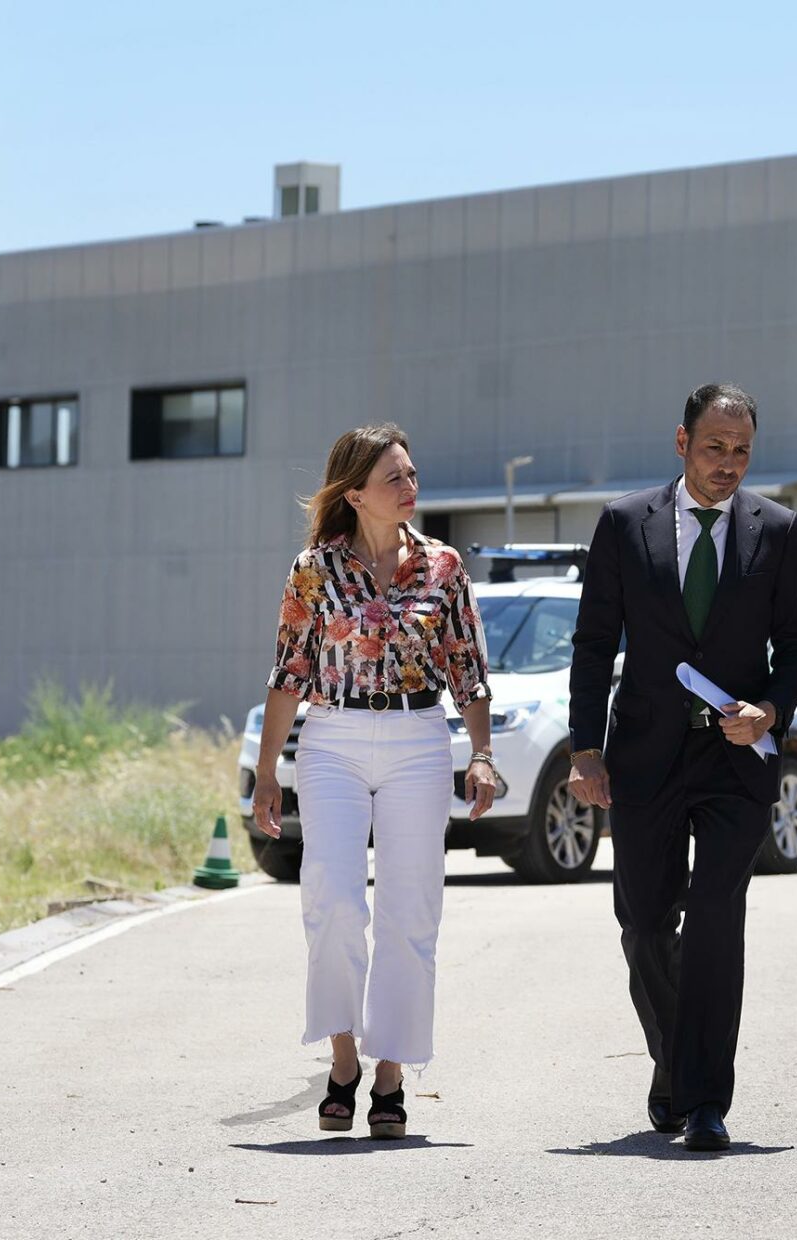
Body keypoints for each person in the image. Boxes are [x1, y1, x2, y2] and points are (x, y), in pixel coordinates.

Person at [566, 383, 797, 1152]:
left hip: (735, 759)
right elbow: (593, 642)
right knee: (645, 923)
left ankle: (705, 1098)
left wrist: (768, 711)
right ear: (682, 444)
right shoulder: (623, 523)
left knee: (714, 919)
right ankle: (675, 1061)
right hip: (645, 753)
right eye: (714, 447)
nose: (728, 464)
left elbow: (796, 647)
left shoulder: (778, 530)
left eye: (742, 451)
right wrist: (583, 749)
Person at [251, 423, 498, 1140]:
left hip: (419, 740)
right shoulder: (313, 570)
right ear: (355, 493)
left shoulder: (444, 566)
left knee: (409, 910)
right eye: (395, 477)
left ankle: (390, 1072)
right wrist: (266, 770)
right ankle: (342, 1059)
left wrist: (482, 752)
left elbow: (469, 668)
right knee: (331, 899)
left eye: (412, 474)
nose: (410, 486)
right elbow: (288, 672)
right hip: (332, 739)